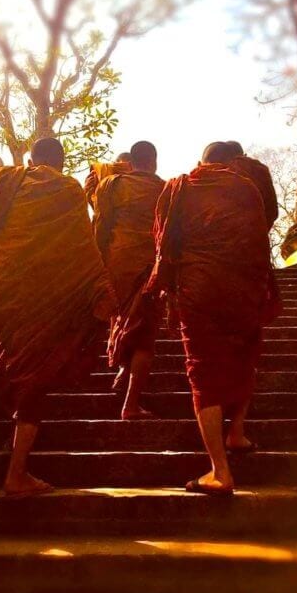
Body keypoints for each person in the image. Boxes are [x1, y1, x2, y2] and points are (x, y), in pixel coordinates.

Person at [0, 138, 117, 497]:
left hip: (5, 285)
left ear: (33, 158)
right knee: (35, 375)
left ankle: (13, 438)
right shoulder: (67, 189)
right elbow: (82, 246)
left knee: (13, 357)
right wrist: (100, 287)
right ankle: (17, 473)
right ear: (61, 161)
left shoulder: (4, 181)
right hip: (46, 292)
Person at [146, 141, 274, 494]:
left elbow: (165, 240)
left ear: (202, 162)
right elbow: (265, 224)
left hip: (199, 290)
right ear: (236, 161)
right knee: (244, 358)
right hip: (247, 288)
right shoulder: (248, 187)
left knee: (202, 371)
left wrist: (168, 290)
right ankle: (237, 433)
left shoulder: (182, 187)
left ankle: (220, 470)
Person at [93, 141, 164, 419]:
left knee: (124, 320)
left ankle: (123, 371)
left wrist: (99, 264)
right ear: (154, 161)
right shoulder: (166, 190)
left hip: (117, 264)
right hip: (150, 268)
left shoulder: (111, 185)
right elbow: (172, 234)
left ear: (131, 162)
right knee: (144, 335)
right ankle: (131, 405)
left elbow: (101, 227)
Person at [225, 141, 279, 230]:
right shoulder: (261, 169)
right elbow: (272, 210)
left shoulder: (227, 170)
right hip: (261, 226)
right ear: (245, 155)